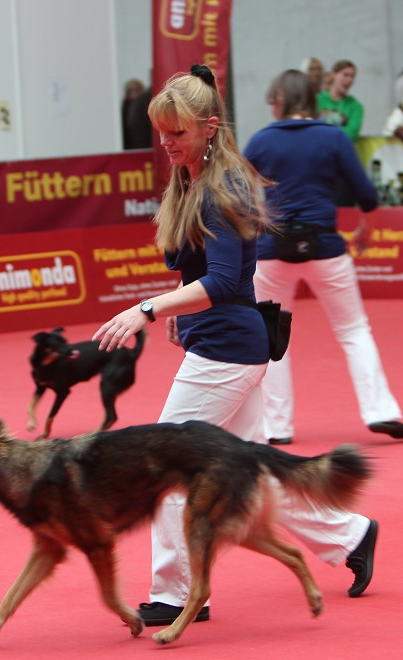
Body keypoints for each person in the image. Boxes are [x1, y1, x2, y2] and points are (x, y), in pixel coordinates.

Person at [93, 64, 379, 628]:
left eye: (176, 133)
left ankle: (175, 594)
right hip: (231, 347)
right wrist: (180, 311)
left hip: (227, 353)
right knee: (250, 473)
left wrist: (147, 309)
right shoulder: (199, 181)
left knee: (167, 464)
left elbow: (224, 283)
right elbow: (211, 278)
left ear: (209, 127)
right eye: (161, 132)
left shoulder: (219, 189)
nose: (165, 143)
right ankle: (352, 536)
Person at [244, 69, 403, 448]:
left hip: (272, 250)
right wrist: (366, 226)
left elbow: (236, 188)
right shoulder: (333, 136)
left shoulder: (261, 140)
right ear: (312, 101)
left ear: (279, 100)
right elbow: (366, 194)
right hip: (325, 247)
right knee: (354, 330)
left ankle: (277, 427)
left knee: (272, 338)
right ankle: (380, 411)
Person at [317, 60, 364, 142]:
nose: (349, 80)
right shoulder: (316, 100)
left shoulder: (356, 106)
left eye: (352, 76)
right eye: (345, 75)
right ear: (333, 74)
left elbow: (351, 133)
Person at [121, 78, 152, 149]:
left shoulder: (146, 104)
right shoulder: (124, 107)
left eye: (138, 90)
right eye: (131, 90)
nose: (135, 93)